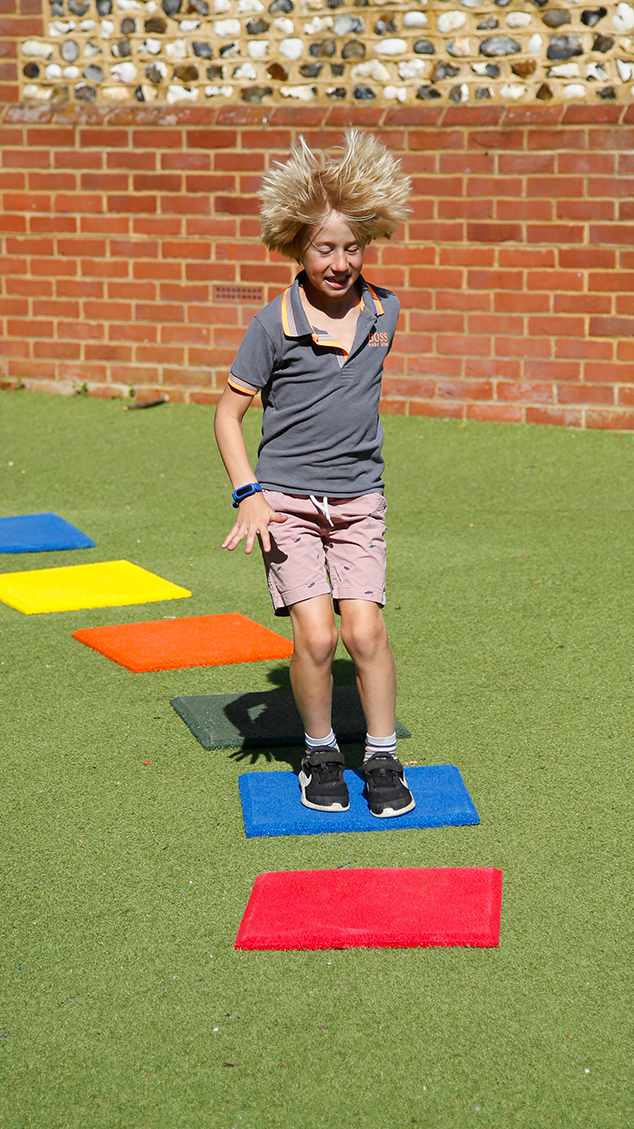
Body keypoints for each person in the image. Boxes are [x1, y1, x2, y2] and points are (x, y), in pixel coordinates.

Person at [214, 131, 414, 818]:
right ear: (296, 246)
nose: (340, 261)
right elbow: (227, 416)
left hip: (359, 502)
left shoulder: (385, 313)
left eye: (352, 247)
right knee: (318, 636)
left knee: (364, 632)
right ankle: (321, 750)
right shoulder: (272, 326)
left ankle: (382, 755)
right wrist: (250, 494)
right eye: (324, 248)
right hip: (286, 505)